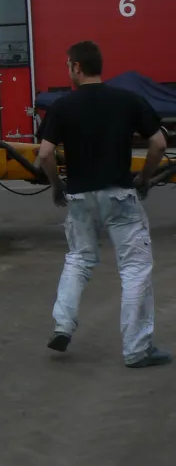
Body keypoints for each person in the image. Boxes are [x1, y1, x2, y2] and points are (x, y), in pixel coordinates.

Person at [35, 40, 170, 368]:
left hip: (81, 197)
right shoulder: (127, 100)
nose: (68, 70)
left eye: (68, 65)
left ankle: (63, 325)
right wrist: (145, 178)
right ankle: (137, 349)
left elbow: (44, 154)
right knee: (135, 267)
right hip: (120, 195)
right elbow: (159, 143)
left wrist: (57, 186)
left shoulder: (63, 107)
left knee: (78, 260)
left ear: (77, 68)